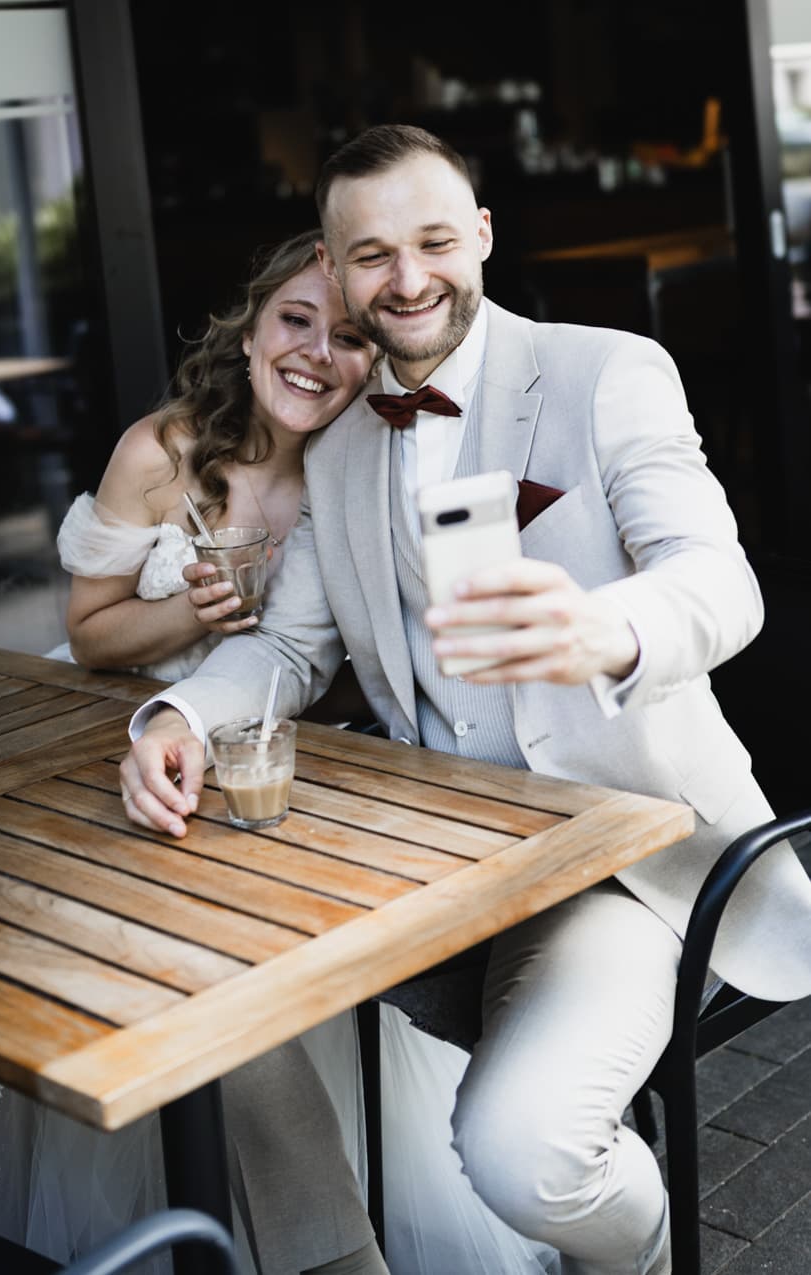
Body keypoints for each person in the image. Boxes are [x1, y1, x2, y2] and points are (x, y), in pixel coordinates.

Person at [119, 123, 811, 1275]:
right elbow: (286, 649)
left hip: (616, 865)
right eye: (371, 254)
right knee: (202, 974)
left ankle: (640, 1260)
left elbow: (719, 580)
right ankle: (333, 1259)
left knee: (518, 1148)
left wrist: (611, 623)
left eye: (434, 241)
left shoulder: (607, 371)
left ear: (481, 236)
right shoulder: (336, 451)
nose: (408, 279)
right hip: (424, 862)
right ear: (335, 271)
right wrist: (177, 718)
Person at [29, 225, 557, 1275]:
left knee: (271, 966)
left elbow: (340, 660)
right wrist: (190, 617)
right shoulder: (164, 451)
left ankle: (322, 1239)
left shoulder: (363, 470)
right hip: (130, 747)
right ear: (252, 327)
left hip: (284, 764)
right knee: (166, 964)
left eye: (349, 337)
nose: (315, 352)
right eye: (294, 320)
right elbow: (90, 637)